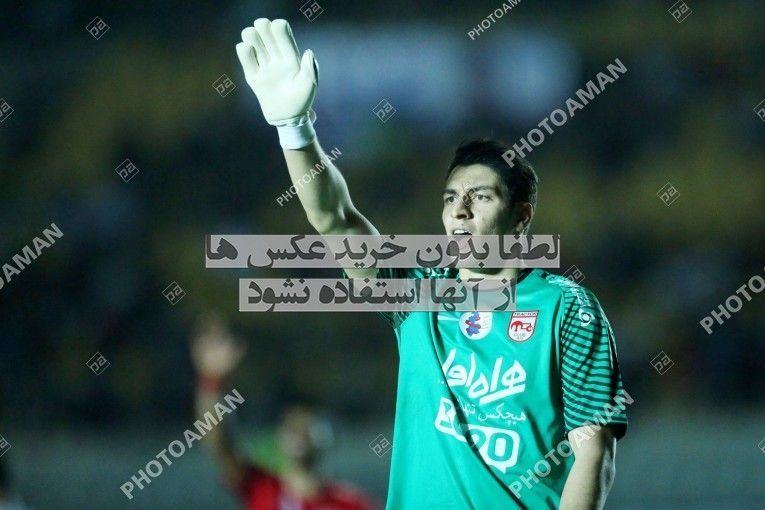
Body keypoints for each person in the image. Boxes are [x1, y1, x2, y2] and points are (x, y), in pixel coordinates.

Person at [234, 18, 629, 509]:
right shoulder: (415, 296)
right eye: (450, 198)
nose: (459, 210)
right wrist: (294, 130)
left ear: (521, 216)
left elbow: (594, 452)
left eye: (479, 196)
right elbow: (335, 218)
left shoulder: (568, 309)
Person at [191, 313, 377, 510]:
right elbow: (218, 443)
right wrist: (211, 381)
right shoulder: (263, 487)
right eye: (291, 424)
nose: (297, 431)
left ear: (325, 434)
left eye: (305, 424)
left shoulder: (351, 502)